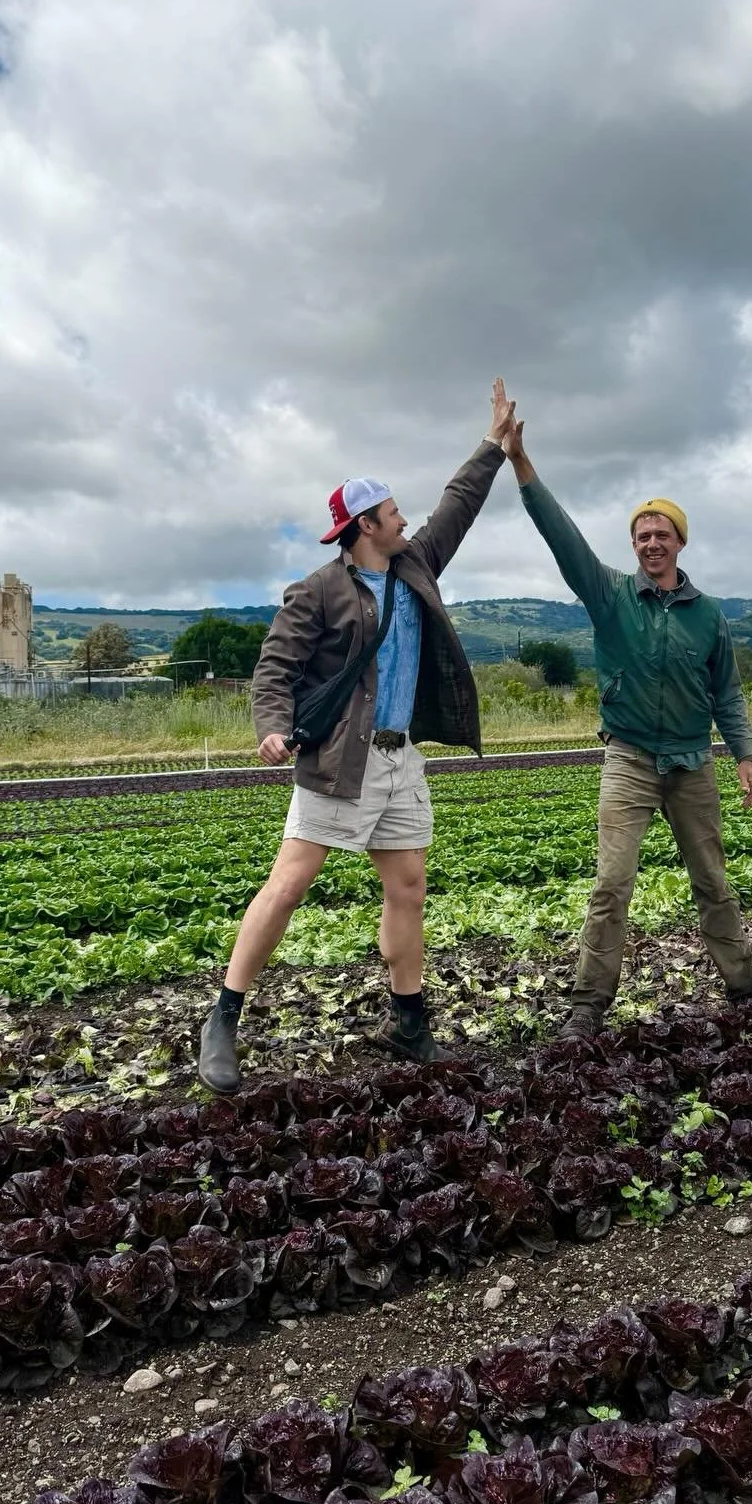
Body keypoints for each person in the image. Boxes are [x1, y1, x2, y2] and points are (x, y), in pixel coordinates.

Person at [197, 380, 517, 1093]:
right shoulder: (319, 590)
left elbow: (458, 503)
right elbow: (274, 668)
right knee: (289, 884)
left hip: (401, 759)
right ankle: (223, 1017)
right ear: (366, 525)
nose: (405, 521)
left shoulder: (414, 565)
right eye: (394, 514)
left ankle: (408, 1022)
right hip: (340, 760)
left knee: (408, 885)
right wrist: (272, 726)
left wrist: (494, 444)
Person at [500, 418, 752, 1036]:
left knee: (713, 882)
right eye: (642, 535)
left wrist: (744, 753)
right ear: (634, 545)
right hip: (630, 759)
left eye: (662, 534)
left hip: (693, 762)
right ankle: (587, 1006)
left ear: (680, 543)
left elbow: (726, 690)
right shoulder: (610, 596)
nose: (651, 543)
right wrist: (521, 463)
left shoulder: (709, 615)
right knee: (612, 885)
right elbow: (562, 537)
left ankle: (746, 991)